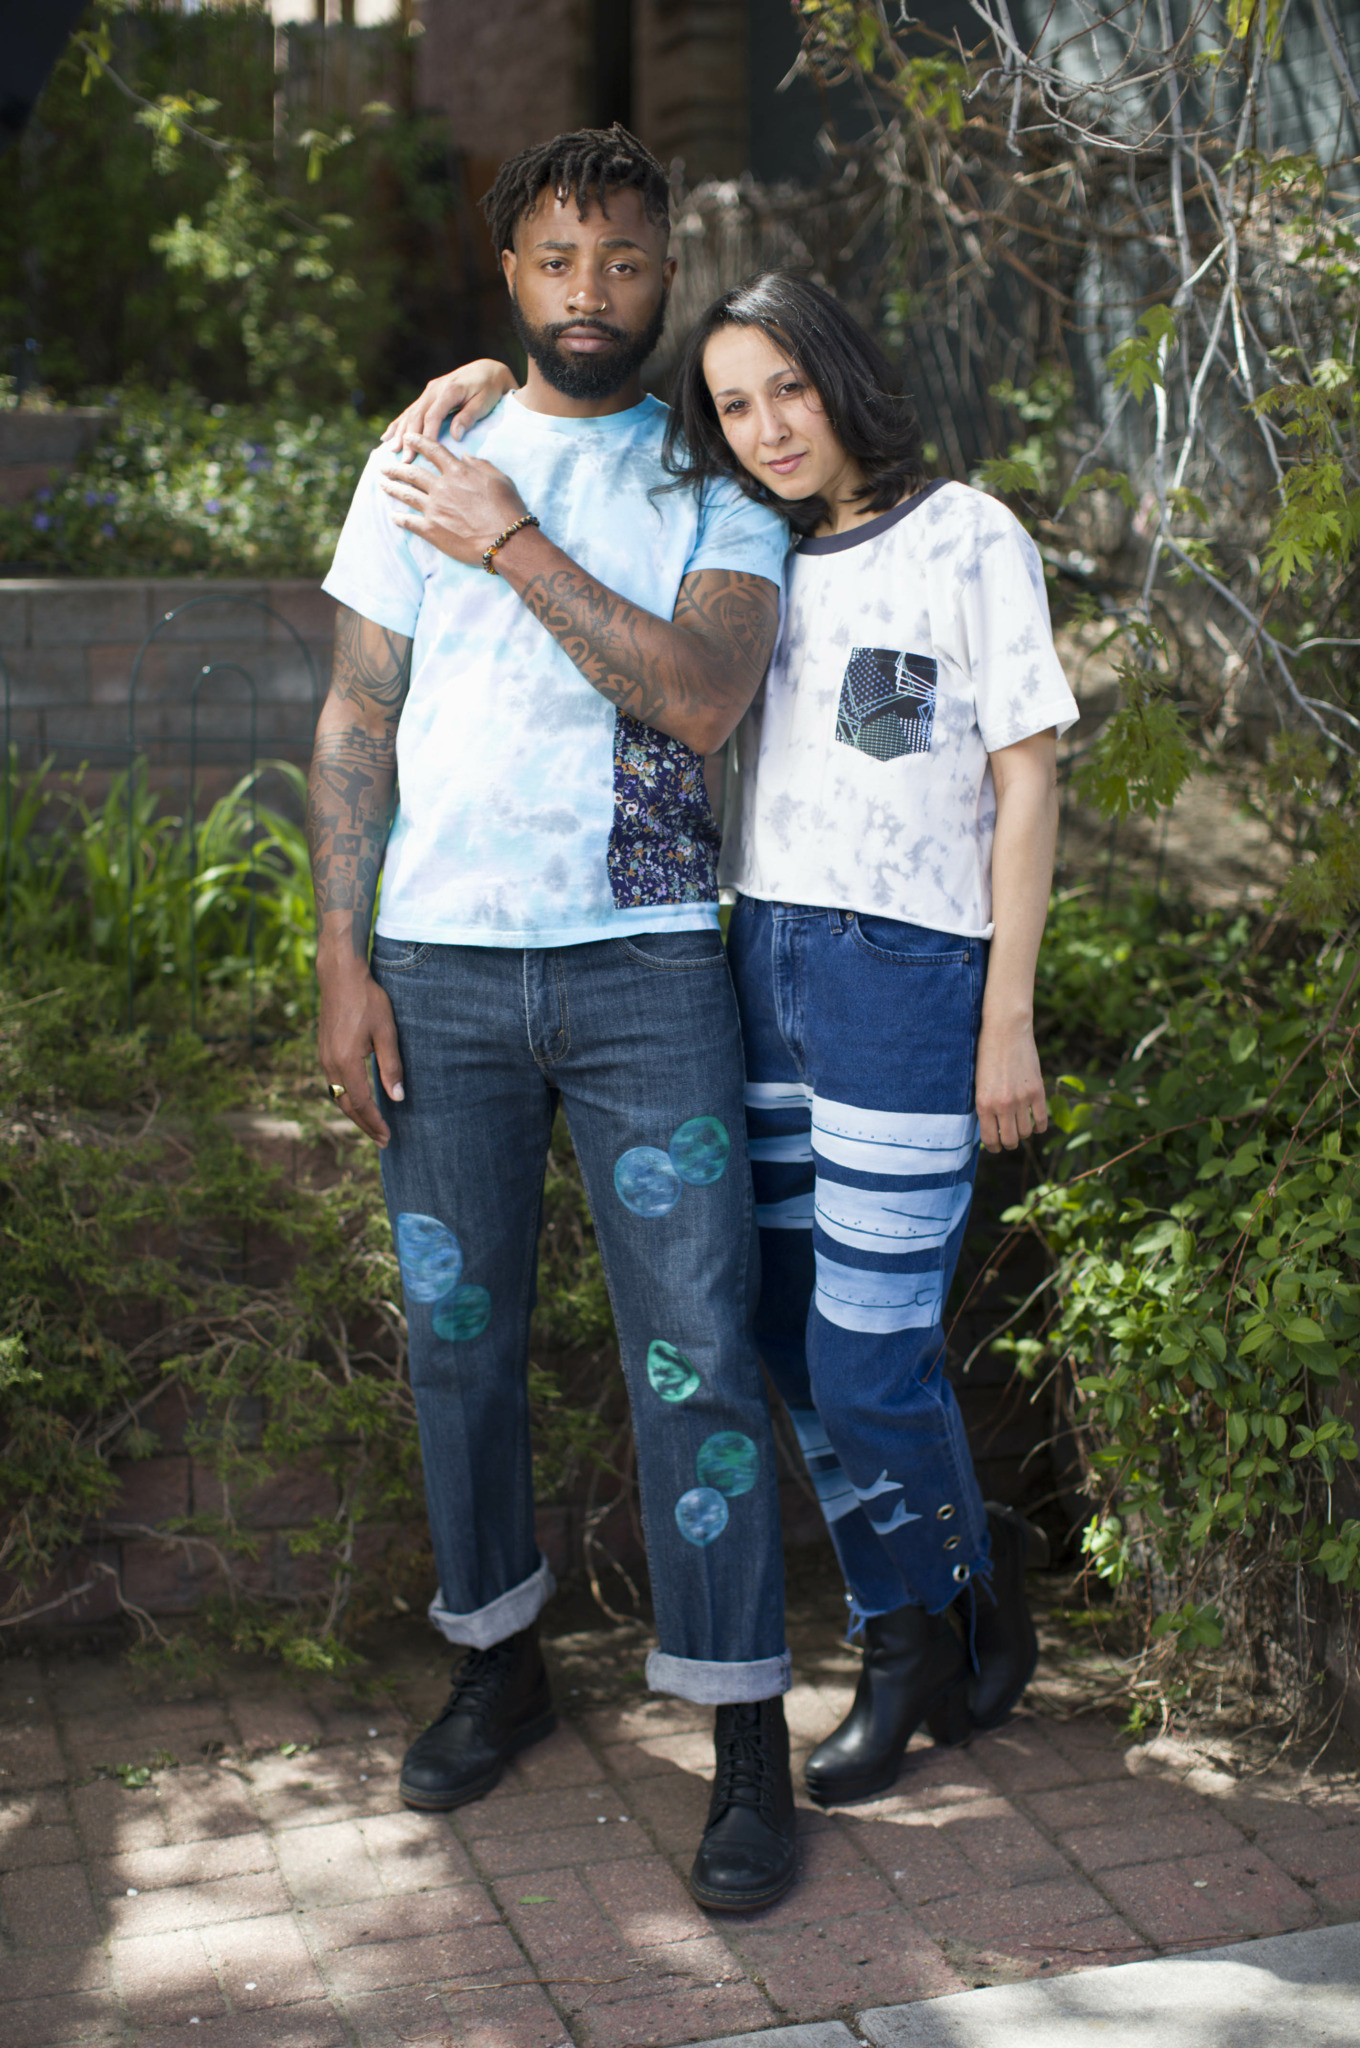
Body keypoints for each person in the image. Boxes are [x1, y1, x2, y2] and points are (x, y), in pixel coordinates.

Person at [390, 269, 1077, 1804]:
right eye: (736, 405)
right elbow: (594, 436)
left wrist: (1006, 1017)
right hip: (757, 964)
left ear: (841, 375)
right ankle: (907, 1627)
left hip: (908, 979)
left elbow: (1026, 777)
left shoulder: (966, 535)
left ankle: (961, 1588)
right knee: (774, 1333)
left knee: (869, 1358)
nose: (767, 427)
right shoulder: (746, 547)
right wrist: (487, 378)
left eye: (789, 389)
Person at [308, 128, 802, 1911]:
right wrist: (340, 953)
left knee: (699, 1352)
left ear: (666, 275)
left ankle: (744, 1726)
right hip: (437, 966)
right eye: (557, 259)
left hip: (645, 968)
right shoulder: (419, 460)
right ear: (509, 273)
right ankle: (496, 1658)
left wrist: (510, 538)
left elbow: (702, 698)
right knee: (458, 1341)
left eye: (624, 260)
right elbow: (358, 712)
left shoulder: (713, 479)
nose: (591, 292)